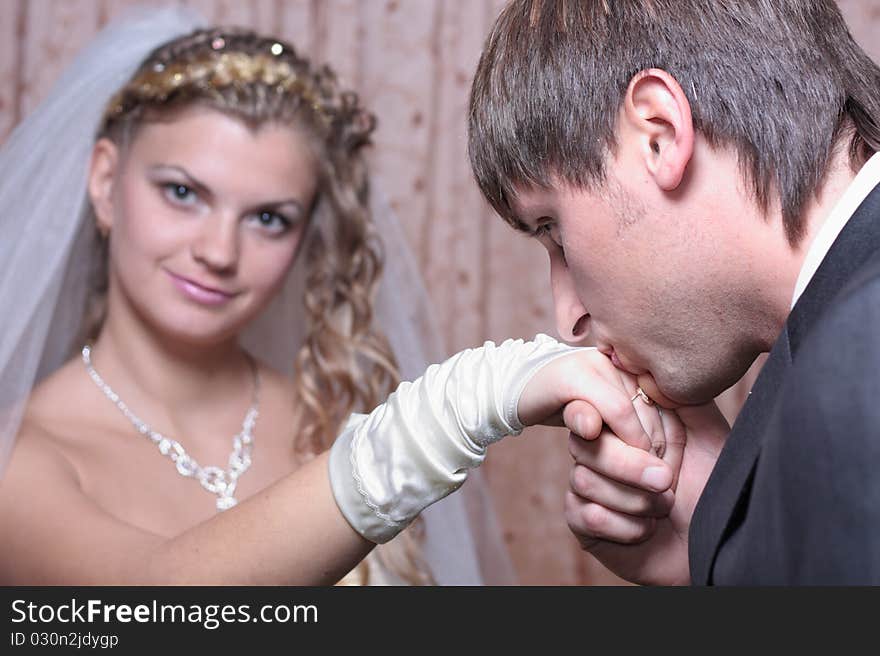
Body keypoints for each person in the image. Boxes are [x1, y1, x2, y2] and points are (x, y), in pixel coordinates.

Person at [0, 6, 667, 586]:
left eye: (269, 218)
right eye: (182, 193)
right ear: (104, 182)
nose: (219, 251)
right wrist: (465, 403)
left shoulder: (333, 412)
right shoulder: (22, 457)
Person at [468, 0, 880, 584]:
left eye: (553, 232)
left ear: (658, 135)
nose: (570, 318)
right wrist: (719, 547)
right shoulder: (840, 334)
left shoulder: (863, 345)